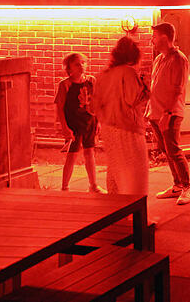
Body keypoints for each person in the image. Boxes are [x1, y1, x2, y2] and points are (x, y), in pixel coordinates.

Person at [92, 37, 150, 195]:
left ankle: (114, 208)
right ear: (134, 56)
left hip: (108, 128)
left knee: (116, 169)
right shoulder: (128, 72)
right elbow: (132, 99)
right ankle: (135, 214)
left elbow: (95, 104)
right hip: (127, 128)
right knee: (135, 172)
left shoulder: (104, 74)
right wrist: (145, 86)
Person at [149, 22, 190, 205]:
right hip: (156, 113)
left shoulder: (179, 59)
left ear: (165, 37)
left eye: (155, 35)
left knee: (174, 150)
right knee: (166, 151)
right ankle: (177, 185)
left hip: (170, 114)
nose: (152, 39)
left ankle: (187, 186)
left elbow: (177, 89)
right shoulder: (160, 58)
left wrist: (167, 114)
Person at [55, 53, 105, 193]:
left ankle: (93, 185)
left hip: (89, 121)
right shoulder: (65, 84)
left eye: (83, 62)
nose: (81, 66)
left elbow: (97, 102)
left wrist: (99, 121)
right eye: (77, 64)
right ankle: (64, 187)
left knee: (90, 152)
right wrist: (65, 127)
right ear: (69, 67)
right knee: (72, 155)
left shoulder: (91, 81)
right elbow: (60, 107)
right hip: (73, 124)